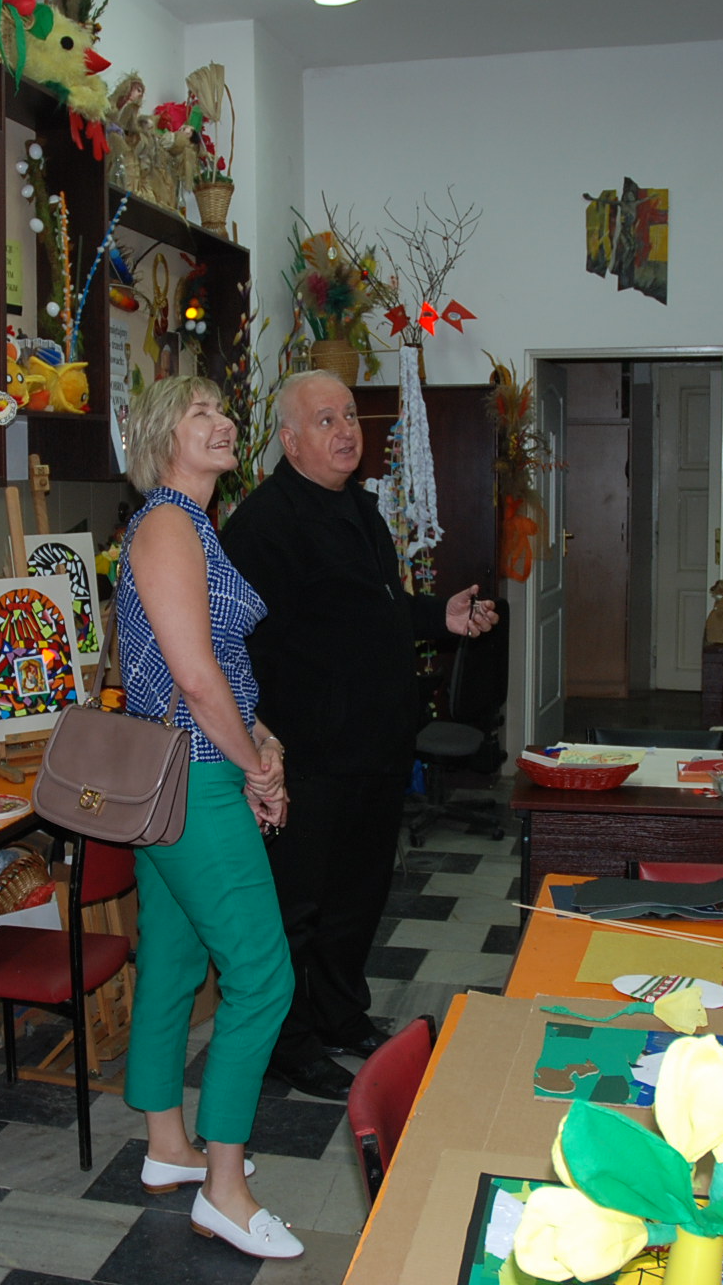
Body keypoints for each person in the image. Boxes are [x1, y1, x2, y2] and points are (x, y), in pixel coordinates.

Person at [219, 369, 498, 1101]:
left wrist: (440, 616)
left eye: (349, 416)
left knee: (357, 898)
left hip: (375, 745)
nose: (346, 431)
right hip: (306, 754)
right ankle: (288, 1043)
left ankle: (340, 1014)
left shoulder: (361, 508)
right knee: (297, 908)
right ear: (289, 440)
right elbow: (234, 648)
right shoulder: (262, 526)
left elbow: (380, 608)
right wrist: (259, 745)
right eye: (326, 420)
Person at [112, 375, 302, 1260]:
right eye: (202, 414)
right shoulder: (167, 525)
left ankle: (168, 1147)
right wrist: (251, 764)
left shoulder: (190, 525)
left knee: (176, 961)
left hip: (177, 773)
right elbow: (192, 678)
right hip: (193, 779)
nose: (224, 423)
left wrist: (260, 741)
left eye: (225, 411)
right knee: (262, 977)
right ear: (163, 436)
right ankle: (225, 1190)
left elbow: (211, 668)